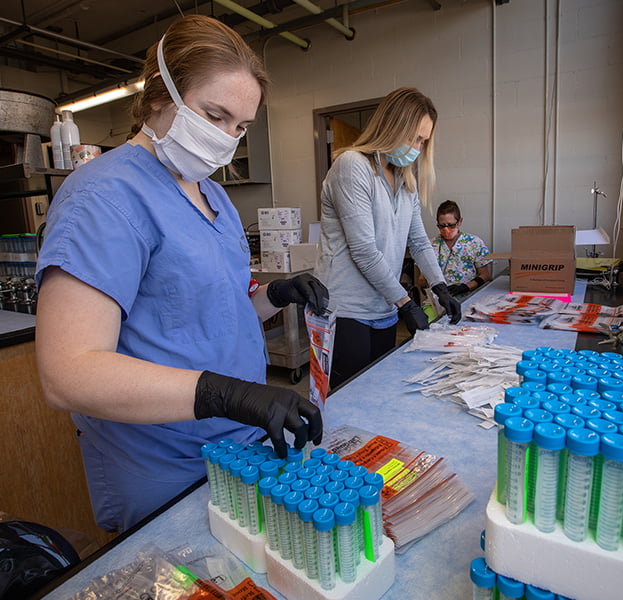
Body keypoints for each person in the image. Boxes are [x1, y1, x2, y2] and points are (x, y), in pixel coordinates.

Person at [34, 15, 327, 533]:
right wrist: (226, 393)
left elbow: (216, 309)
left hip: (239, 444)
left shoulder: (213, 194)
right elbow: (68, 372)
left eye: (240, 127)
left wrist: (275, 295)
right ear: (156, 98)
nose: (226, 139)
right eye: (214, 114)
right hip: (162, 466)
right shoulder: (102, 197)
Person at [316, 87, 461, 391]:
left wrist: (440, 287)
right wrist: (407, 304)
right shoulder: (352, 166)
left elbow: (419, 241)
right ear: (392, 127)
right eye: (415, 138)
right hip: (347, 311)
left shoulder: (405, 178)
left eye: (424, 141)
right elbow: (364, 251)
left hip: (384, 307)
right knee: (350, 399)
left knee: (378, 393)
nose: (418, 148)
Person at [428, 200, 492, 295]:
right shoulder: (430, 245)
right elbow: (421, 279)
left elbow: (486, 275)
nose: (446, 230)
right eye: (442, 226)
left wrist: (466, 287)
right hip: (439, 298)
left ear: (460, 222)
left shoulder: (474, 243)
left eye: (451, 225)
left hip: (468, 295)